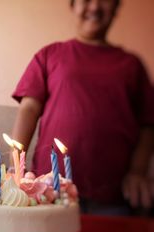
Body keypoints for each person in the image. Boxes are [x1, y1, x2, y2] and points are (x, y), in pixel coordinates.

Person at [12, 0, 154, 215]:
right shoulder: (50, 54)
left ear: (116, 8)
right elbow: (28, 109)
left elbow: (148, 124)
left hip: (113, 197)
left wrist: (138, 171)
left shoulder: (131, 65)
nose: (95, 7)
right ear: (73, 6)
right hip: (48, 189)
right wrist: (16, 166)